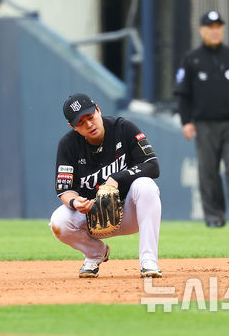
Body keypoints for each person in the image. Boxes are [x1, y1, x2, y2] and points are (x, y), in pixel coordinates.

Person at [49, 93, 162, 278]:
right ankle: (96, 253)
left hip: (129, 211)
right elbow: (64, 189)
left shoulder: (123, 128)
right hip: (92, 217)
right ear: (73, 126)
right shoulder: (67, 145)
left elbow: (152, 165)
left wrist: (117, 178)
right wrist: (75, 203)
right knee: (58, 222)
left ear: (98, 110)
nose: (89, 124)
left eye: (90, 117)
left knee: (146, 185)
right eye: (81, 122)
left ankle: (149, 260)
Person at [174, 10, 229, 229]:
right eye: (210, 27)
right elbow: (183, 94)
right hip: (204, 124)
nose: (215, 31)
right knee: (208, 171)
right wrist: (186, 121)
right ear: (202, 30)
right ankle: (214, 216)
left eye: (218, 26)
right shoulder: (192, 59)